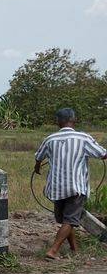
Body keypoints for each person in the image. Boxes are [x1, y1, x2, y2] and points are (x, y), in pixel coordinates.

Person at [34, 108, 107, 261]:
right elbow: (102, 154)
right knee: (69, 221)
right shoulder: (83, 138)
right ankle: (53, 250)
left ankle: (75, 250)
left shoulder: (50, 139)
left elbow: (39, 157)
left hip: (56, 188)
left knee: (67, 220)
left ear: (58, 122)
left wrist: (37, 166)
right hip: (76, 188)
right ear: (74, 120)